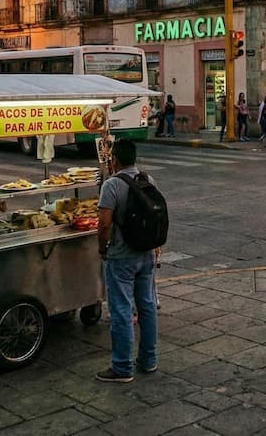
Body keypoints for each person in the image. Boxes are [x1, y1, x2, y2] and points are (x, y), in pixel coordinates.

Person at [95, 139, 159, 383]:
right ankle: (149, 359)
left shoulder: (112, 185)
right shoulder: (148, 180)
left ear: (115, 160)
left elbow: (104, 224)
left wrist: (103, 249)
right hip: (146, 253)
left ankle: (122, 367)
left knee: (121, 309)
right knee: (147, 306)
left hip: (121, 256)